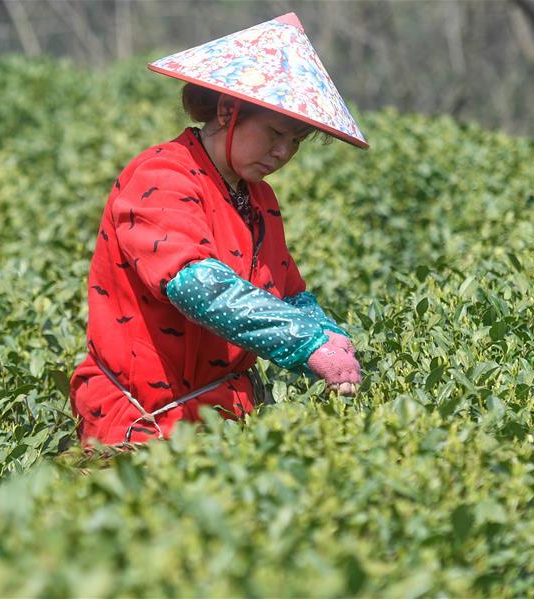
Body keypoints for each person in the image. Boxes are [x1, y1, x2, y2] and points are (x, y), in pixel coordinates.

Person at [69, 13, 368, 447]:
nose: (283, 152)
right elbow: (196, 285)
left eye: (296, 142)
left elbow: (287, 294)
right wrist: (305, 342)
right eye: (275, 134)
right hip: (142, 424)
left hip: (224, 418)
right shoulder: (161, 175)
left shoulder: (259, 199)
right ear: (229, 111)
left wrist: (331, 338)